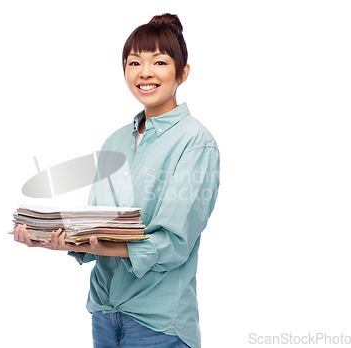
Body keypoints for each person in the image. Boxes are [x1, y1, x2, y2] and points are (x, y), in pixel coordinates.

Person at [14, 13, 220, 348]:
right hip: (104, 316)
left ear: (183, 72)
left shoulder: (196, 142)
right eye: (134, 62)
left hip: (158, 325)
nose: (145, 73)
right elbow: (96, 225)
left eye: (159, 62)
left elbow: (174, 244)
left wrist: (105, 245)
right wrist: (58, 240)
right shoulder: (116, 141)